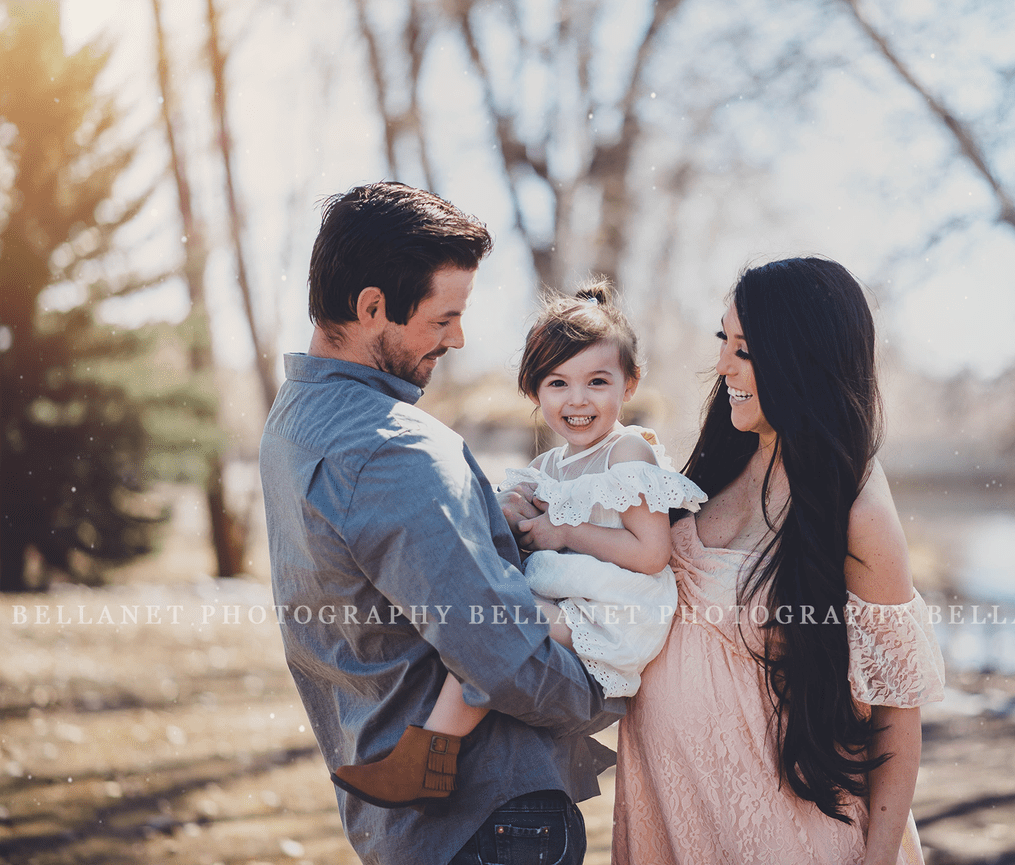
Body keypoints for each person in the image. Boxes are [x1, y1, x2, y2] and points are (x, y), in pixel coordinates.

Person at [260, 181, 622, 865]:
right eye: (443, 317)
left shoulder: (293, 424)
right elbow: (503, 655)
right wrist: (607, 689)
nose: (458, 337)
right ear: (372, 307)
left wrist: (498, 536)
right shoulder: (396, 448)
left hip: (404, 825)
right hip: (490, 824)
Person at [609, 257, 946, 864]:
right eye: (723, 339)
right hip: (669, 813)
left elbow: (897, 712)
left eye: (745, 348)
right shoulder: (714, 465)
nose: (721, 364)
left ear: (800, 358)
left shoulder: (853, 505)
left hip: (789, 836)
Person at [332, 279, 706, 805]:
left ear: (630, 384)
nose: (578, 400)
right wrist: (507, 515)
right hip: (576, 602)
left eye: (598, 381)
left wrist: (565, 531)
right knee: (480, 619)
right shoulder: (549, 465)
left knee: (488, 625)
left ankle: (426, 758)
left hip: (618, 614)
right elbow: (505, 515)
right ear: (534, 391)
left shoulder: (627, 454)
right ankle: (430, 755)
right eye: (558, 384)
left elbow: (651, 554)